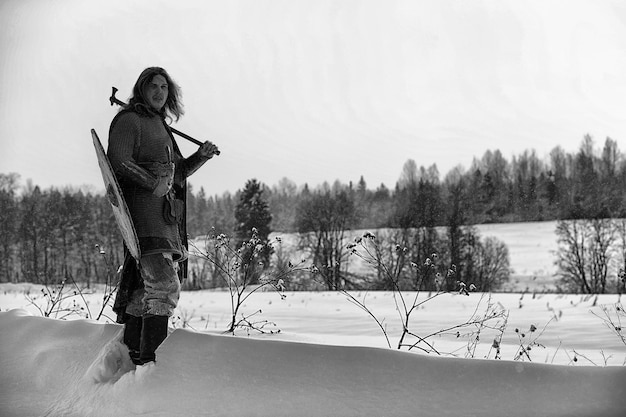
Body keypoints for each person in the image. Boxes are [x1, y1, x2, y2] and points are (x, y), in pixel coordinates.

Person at [107, 67, 219, 365]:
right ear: (141, 89)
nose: (159, 92)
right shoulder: (130, 120)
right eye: (153, 86)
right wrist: (150, 182)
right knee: (164, 287)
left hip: (165, 219)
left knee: (146, 289)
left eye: (164, 87)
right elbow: (118, 161)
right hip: (143, 217)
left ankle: (132, 356)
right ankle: (150, 366)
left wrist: (201, 157)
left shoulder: (160, 126)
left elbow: (177, 173)